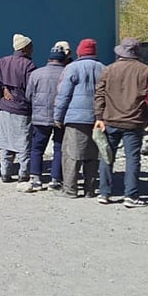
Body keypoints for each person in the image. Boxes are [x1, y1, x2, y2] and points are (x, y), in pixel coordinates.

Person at [94, 37, 148, 207]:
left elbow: (99, 95)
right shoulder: (146, 71)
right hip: (134, 121)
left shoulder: (109, 70)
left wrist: (99, 117)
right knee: (132, 158)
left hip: (110, 119)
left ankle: (104, 192)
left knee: (106, 156)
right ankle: (131, 195)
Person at [54, 38, 105, 198]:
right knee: (92, 155)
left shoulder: (72, 68)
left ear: (80, 51)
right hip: (97, 118)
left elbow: (63, 94)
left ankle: (70, 189)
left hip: (75, 118)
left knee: (71, 154)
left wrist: (58, 117)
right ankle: (90, 189)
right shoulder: (104, 68)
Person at [0, 33, 36, 187]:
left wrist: (3, 88)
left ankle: (5, 173)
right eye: (31, 46)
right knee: (23, 143)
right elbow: (32, 87)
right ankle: (23, 174)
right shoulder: (29, 65)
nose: (33, 48)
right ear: (25, 47)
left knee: (6, 142)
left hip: (6, 107)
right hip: (22, 107)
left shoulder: (4, 61)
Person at [26, 44, 67, 190]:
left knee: (37, 148)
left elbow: (28, 95)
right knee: (59, 148)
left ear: (49, 58)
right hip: (61, 117)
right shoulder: (66, 73)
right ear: (63, 59)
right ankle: (55, 179)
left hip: (40, 116)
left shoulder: (36, 73)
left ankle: (35, 178)